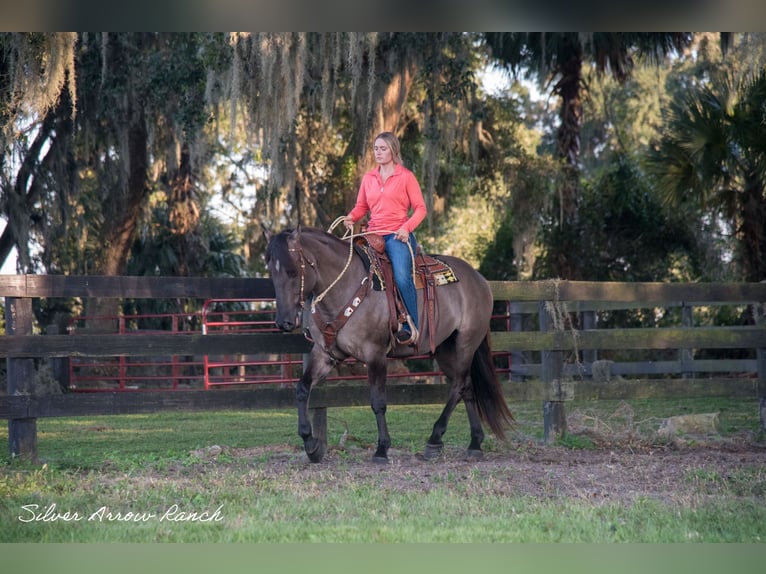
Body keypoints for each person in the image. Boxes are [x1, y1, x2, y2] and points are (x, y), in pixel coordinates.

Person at [344, 131, 427, 345]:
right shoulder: (369, 178)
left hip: (397, 236)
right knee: (348, 268)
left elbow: (420, 209)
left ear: (393, 150)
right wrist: (351, 217)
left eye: (383, 148)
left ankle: (411, 326)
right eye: (376, 148)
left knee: (401, 276)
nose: (378, 152)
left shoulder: (406, 177)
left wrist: (406, 228)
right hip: (372, 234)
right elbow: (362, 206)